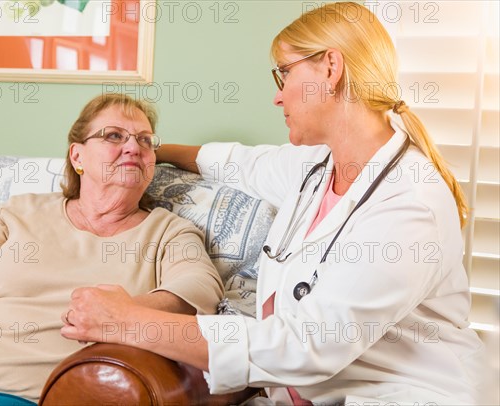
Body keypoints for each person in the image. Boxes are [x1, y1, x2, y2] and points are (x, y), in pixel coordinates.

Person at [59, 3, 485, 404]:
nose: (277, 97)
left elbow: (305, 345)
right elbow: (234, 162)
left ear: (330, 69)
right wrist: (146, 149)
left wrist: (127, 321)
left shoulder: (409, 203)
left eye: (284, 74)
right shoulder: (316, 164)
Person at [0, 94, 224, 406]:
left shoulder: (170, 231)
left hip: (21, 393)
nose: (133, 148)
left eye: (145, 141)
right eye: (113, 136)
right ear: (77, 156)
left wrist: (124, 314)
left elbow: (199, 290)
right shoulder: (17, 212)